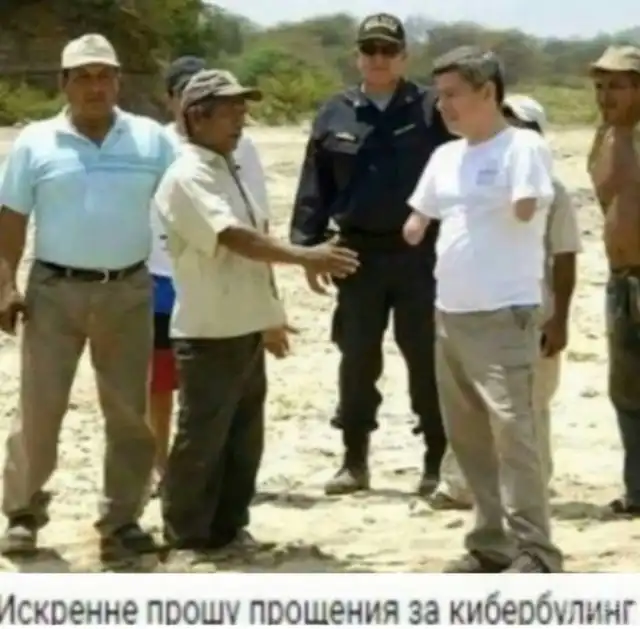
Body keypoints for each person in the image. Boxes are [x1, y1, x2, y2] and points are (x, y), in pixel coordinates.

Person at [153, 69, 360, 552]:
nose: (240, 120)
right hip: (209, 332)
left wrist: (270, 315)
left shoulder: (229, 170)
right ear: (196, 117)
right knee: (202, 440)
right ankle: (187, 536)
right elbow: (233, 237)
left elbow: (254, 246)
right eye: (229, 111)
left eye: (241, 109)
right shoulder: (187, 176)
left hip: (244, 326)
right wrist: (304, 255)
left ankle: (228, 528)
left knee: (242, 438)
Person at [0, 34, 175, 560]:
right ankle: (22, 513)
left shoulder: (151, 140)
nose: (94, 87)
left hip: (129, 290)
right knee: (40, 407)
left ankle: (121, 520)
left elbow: (183, 206)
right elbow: (11, 219)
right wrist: (5, 285)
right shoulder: (35, 142)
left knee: (128, 412)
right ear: (64, 83)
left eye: (104, 76)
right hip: (53, 292)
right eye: (83, 77)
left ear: (118, 82)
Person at [404, 46, 563, 573]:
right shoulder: (445, 157)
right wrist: (414, 225)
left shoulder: (522, 146)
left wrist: (512, 199)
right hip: (450, 315)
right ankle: (491, 544)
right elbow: (419, 216)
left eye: (452, 95)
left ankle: (536, 550)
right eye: (439, 96)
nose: (442, 106)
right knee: (468, 437)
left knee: (514, 434)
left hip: (504, 315)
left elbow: (528, 206)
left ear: (488, 92)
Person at [289, 13, 453, 497]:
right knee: (357, 358)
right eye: (369, 50)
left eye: (388, 50)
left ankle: (436, 461)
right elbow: (314, 184)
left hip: (420, 255)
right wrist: (307, 248)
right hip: (356, 255)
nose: (378, 59)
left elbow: (458, 169)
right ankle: (354, 460)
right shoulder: (335, 112)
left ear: (404, 56)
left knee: (425, 357)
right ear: (357, 56)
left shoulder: (432, 108)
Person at [430, 94, 581, 510]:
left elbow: (565, 256)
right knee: (472, 405)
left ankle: (530, 492)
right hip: (472, 310)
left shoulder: (552, 191)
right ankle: (461, 487)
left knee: (528, 406)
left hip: (530, 313)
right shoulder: (467, 179)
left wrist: (560, 320)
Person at [147, 56, 270, 492]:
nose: (238, 119)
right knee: (162, 382)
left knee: (219, 396)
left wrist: (271, 307)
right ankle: (161, 468)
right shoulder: (160, 146)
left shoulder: (239, 149)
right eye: (184, 89)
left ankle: (209, 487)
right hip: (162, 278)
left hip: (224, 288)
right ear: (175, 102)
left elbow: (257, 221)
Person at [587, 45, 640, 518]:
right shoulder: (603, 138)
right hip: (621, 282)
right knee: (626, 391)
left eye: (617, 85)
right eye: (601, 85)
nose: (606, 95)